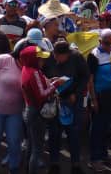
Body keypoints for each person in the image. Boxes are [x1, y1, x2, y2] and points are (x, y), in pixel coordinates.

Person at [43, 39, 89, 173]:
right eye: (55, 56)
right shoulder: (49, 58)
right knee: (54, 133)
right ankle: (54, 163)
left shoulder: (77, 57)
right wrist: (49, 83)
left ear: (67, 54)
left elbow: (85, 76)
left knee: (73, 133)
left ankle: (76, 164)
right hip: (55, 100)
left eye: (60, 57)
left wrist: (76, 93)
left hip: (72, 100)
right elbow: (42, 75)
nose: (57, 59)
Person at [20, 45, 64, 174]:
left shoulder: (26, 69)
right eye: (40, 58)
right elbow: (42, 94)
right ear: (33, 59)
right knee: (37, 149)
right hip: (36, 113)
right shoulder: (34, 72)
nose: (43, 61)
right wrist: (56, 84)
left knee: (31, 145)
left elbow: (38, 87)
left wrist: (49, 81)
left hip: (29, 110)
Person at [87, 29, 111, 170]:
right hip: (99, 96)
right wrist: (93, 100)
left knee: (106, 127)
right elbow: (90, 80)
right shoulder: (94, 55)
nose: (110, 46)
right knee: (97, 128)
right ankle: (95, 158)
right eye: (107, 43)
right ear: (100, 41)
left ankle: (104, 155)